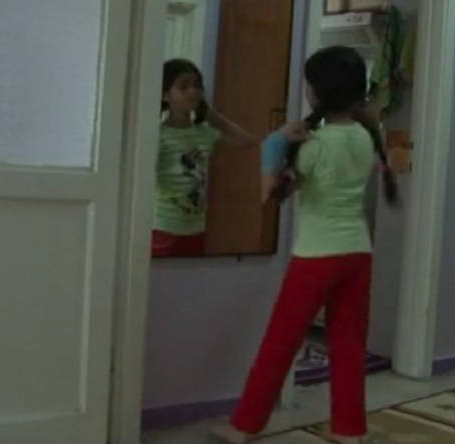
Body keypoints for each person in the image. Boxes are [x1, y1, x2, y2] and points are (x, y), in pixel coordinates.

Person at [214, 46, 399, 444]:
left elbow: (271, 194)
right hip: (357, 253)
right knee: (349, 345)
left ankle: (243, 426)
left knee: (280, 343)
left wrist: (274, 145)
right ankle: (349, 429)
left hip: (316, 256)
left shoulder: (315, 145)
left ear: (317, 92)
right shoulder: (367, 137)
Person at [153, 59, 259, 258]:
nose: (192, 91)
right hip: (165, 229)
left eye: (196, 85)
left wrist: (215, 118)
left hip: (197, 229)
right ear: (166, 95)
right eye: (183, 86)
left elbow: (248, 142)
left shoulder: (204, 133)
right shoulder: (159, 136)